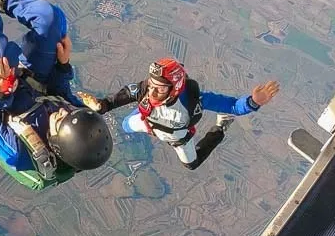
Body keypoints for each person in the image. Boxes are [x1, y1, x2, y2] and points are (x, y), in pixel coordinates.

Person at [0, 0, 112, 188]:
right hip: (36, 84)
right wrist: (63, 66)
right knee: (52, 20)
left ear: (56, 143)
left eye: (59, 119)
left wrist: (0, 92)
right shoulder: (78, 119)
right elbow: (61, 93)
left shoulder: (18, 151)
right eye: (69, 112)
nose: (64, 111)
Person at [76, 58, 280, 170]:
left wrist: (253, 102)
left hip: (178, 138)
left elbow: (233, 105)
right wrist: (101, 106)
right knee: (125, 125)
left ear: (175, 88)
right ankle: (144, 121)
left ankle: (220, 127)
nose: (153, 92)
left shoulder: (193, 100)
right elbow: (116, 100)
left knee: (192, 164)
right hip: (148, 124)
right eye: (152, 86)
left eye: (160, 89)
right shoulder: (143, 89)